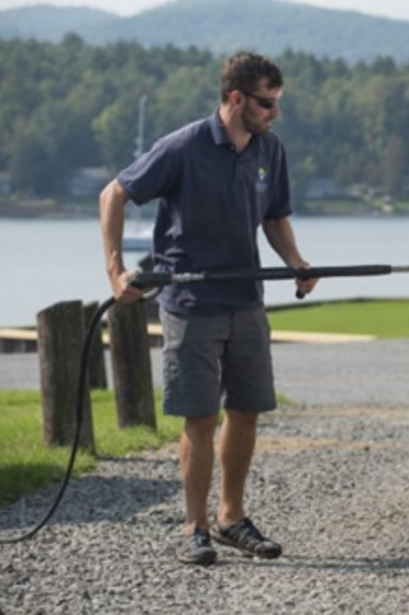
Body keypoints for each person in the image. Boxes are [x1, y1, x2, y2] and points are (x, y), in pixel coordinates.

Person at [99, 51, 317, 565]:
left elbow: (276, 217)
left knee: (246, 411)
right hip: (192, 304)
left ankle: (230, 519)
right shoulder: (182, 147)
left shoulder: (270, 150)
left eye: (278, 103)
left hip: (247, 300)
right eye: (267, 103)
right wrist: (115, 271)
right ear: (236, 99)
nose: (274, 113)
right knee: (200, 417)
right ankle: (194, 527)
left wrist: (297, 262)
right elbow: (113, 194)